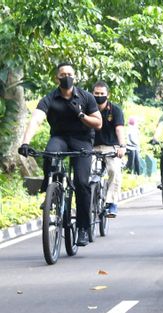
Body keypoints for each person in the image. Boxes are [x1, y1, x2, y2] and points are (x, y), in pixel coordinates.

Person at [18, 62, 102, 247]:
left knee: (81, 183)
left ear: (75, 76)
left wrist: (81, 116)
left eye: (69, 74)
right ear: (57, 78)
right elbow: (36, 119)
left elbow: (98, 123)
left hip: (82, 140)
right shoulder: (49, 99)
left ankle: (82, 228)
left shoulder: (86, 97)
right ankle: (50, 191)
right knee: (49, 153)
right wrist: (25, 142)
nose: (66, 77)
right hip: (60, 138)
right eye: (63, 75)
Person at [92, 81, 126, 218]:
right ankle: (88, 201)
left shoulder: (115, 110)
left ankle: (111, 203)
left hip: (110, 147)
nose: (99, 96)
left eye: (102, 94)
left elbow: (119, 129)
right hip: (91, 148)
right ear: (92, 94)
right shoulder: (87, 109)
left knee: (114, 171)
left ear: (108, 95)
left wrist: (122, 146)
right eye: (96, 94)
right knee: (86, 172)